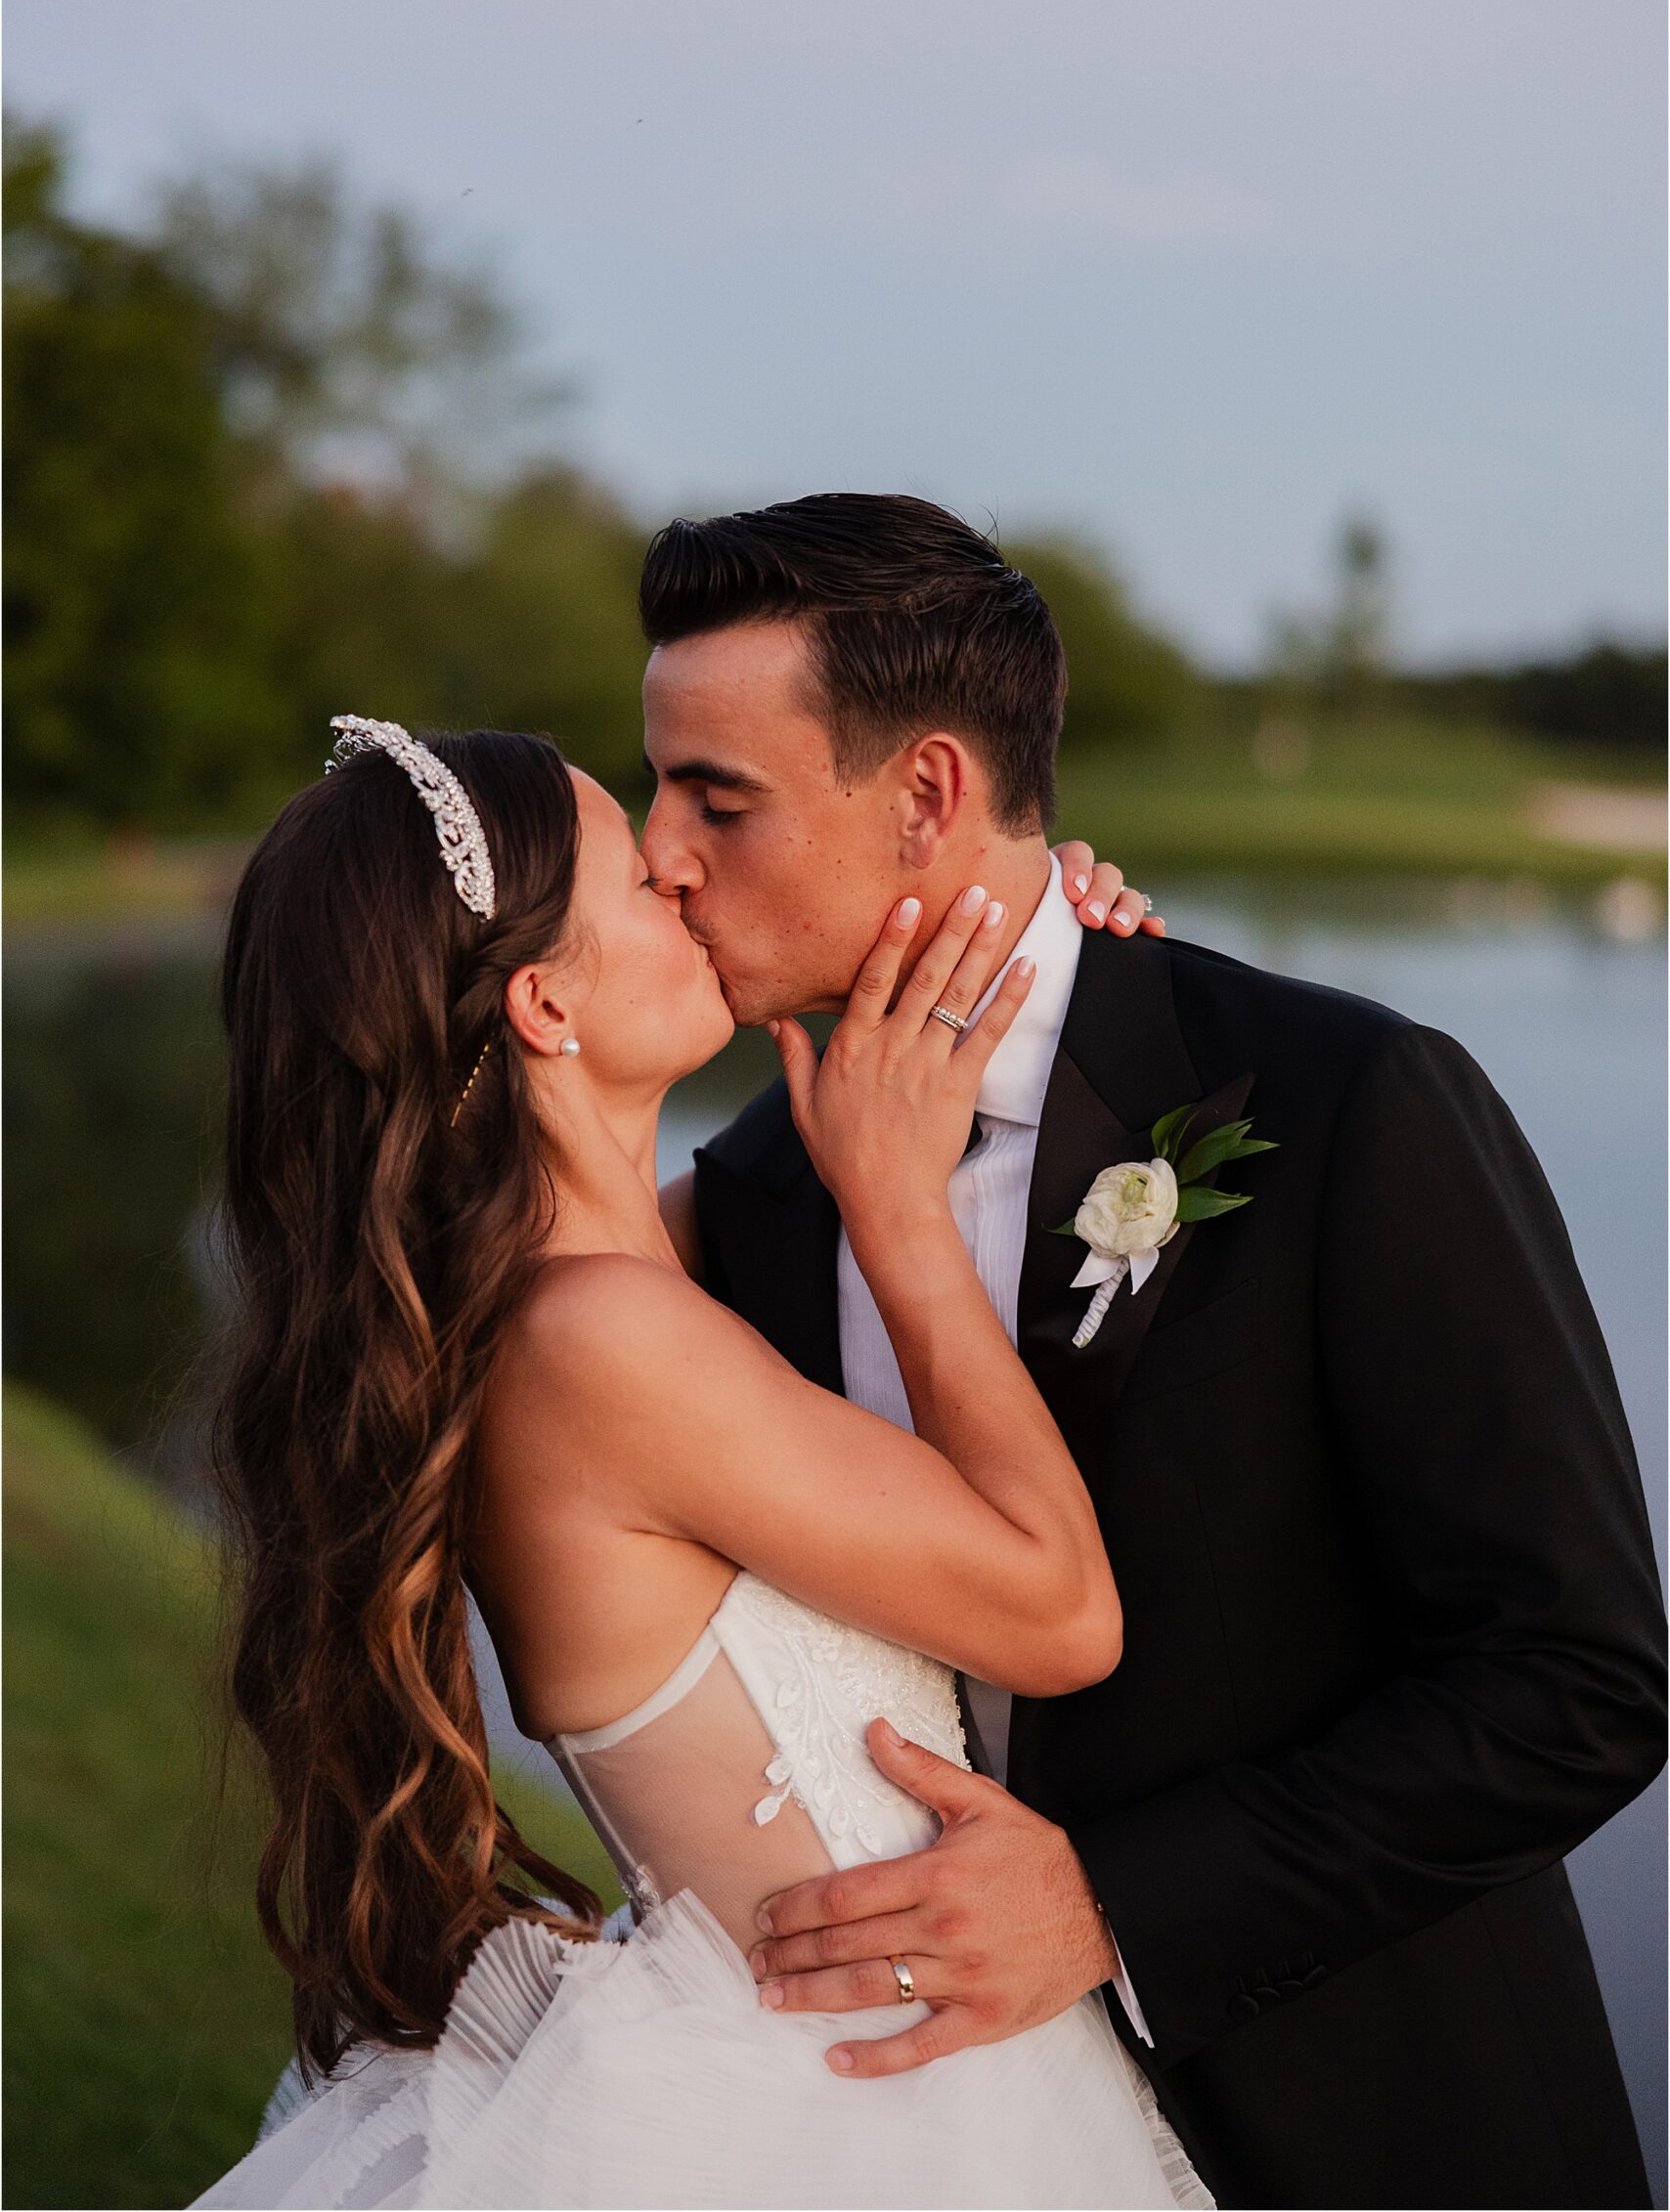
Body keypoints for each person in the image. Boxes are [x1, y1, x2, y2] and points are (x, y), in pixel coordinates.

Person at [642, 494, 1667, 2211]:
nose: (662, 850)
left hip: (1378, 2125)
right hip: (928, 2132)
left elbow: (1582, 1680)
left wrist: (1117, 1907)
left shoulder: (1352, 1102)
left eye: (716, 798)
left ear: (927, 796)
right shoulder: (753, 1192)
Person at [195, 713, 1209, 2210]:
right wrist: (905, 1222)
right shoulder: (597, 1342)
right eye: (644, 885)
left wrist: (1024, 939)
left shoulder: (602, 1279)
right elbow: (1062, 1616)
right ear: (545, 1004)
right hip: (859, 2120)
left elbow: (784, 1181)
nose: (687, 876)